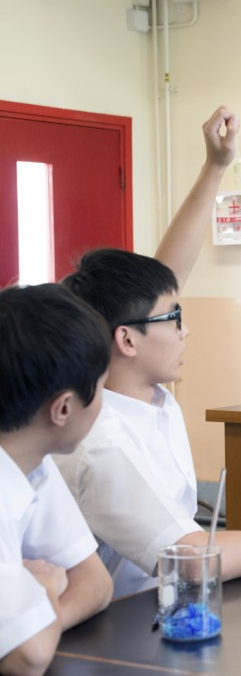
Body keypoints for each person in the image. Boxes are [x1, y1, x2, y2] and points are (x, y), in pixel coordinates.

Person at [54, 105, 241, 600]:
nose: (186, 332)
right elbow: (188, 557)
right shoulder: (101, 442)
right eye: (176, 320)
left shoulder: (142, 392)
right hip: (115, 635)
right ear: (126, 341)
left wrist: (215, 166)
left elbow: (162, 283)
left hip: (160, 606)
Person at [0, 284, 114, 676]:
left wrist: (37, 622)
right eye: (101, 389)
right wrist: (46, 589)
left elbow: (95, 583)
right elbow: (28, 658)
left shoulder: (31, 460)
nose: (104, 404)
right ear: (63, 407)